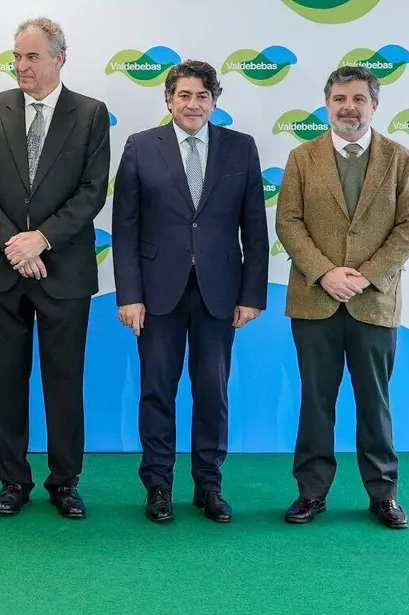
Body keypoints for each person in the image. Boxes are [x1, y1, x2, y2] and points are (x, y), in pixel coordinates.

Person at [0, 16, 111, 518]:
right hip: (2, 271)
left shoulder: (90, 114)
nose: (21, 66)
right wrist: (15, 244)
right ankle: (13, 481)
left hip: (63, 272)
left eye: (31, 56)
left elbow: (92, 191)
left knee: (64, 382)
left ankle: (65, 482)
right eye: (17, 57)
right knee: (5, 382)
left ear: (58, 58)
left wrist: (41, 239)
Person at [112, 60, 268, 524]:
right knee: (157, 391)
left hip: (220, 293)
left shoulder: (241, 148)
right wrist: (129, 295)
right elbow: (125, 228)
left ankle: (209, 485)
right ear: (168, 100)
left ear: (214, 102)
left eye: (202, 96)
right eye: (184, 95)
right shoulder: (141, 146)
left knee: (212, 392)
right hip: (157, 293)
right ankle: (158, 485)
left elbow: (255, 229)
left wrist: (252, 295)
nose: (193, 104)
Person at [275, 66, 409, 529]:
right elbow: (288, 222)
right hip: (315, 301)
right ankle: (311, 493)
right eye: (339, 99)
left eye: (359, 99)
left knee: (374, 403)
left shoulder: (400, 159)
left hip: (374, 302)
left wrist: (366, 276)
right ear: (327, 105)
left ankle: (383, 494)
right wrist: (325, 273)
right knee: (315, 402)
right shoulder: (302, 157)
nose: (349, 108)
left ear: (374, 106)